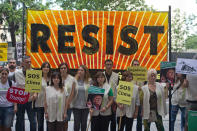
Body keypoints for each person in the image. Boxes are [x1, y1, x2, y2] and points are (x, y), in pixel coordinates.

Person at [15, 55, 37, 131]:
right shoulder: (17, 73)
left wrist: (35, 94)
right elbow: (14, 87)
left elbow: (36, 87)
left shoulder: (34, 72)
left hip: (30, 100)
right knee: (20, 120)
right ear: (22, 63)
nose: (29, 63)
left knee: (33, 121)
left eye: (30, 62)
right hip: (20, 100)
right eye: (27, 62)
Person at [71, 65, 90, 131]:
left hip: (85, 107)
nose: (80, 71)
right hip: (76, 106)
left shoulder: (89, 81)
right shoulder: (74, 81)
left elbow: (91, 94)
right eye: (79, 70)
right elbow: (71, 93)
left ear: (85, 72)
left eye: (82, 70)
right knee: (76, 124)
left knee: (84, 124)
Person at [34, 62, 51, 131]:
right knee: (40, 124)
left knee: (49, 123)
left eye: (47, 67)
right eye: (44, 67)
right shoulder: (38, 78)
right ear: (41, 68)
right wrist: (35, 94)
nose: (46, 68)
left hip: (49, 104)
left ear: (49, 69)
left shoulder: (52, 78)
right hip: (39, 103)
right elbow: (35, 89)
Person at [58, 62, 76, 131]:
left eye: (64, 68)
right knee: (58, 122)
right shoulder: (56, 77)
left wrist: (68, 103)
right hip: (58, 104)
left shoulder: (72, 79)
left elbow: (72, 92)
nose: (63, 69)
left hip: (68, 104)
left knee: (65, 122)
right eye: (61, 68)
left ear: (67, 69)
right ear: (59, 69)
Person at [103, 59, 118, 131]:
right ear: (104, 65)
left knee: (113, 122)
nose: (108, 66)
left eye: (110, 65)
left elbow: (118, 88)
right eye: (107, 64)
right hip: (104, 101)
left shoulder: (117, 75)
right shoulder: (101, 75)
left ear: (112, 66)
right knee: (105, 122)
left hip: (114, 102)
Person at [185, 54, 197, 131]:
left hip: (190, 101)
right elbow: (185, 84)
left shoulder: (188, 71)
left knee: (188, 123)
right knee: (189, 123)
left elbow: (185, 84)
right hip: (191, 101)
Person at [131, 59, 143, 131]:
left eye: (137, 65)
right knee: (129, 119)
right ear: (132, 65)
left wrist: (142, 88)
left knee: (139, 120)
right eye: (134, 64)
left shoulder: (142, 75)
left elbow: (145, 87)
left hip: (140, 100)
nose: (136, 66)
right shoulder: (128, 75)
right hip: (131, 100)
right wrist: (135, 87)